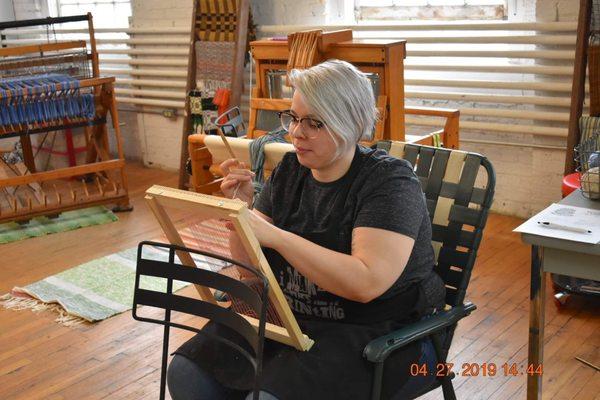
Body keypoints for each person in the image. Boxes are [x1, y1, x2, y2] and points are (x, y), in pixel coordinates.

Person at [167, 59, 446, 400]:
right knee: (187, 374)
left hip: (380, 332)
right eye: (294, 118)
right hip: (293, 316)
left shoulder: (389, 182)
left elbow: (366, 282)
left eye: (314, 123)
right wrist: (243, 215)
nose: (297, 132)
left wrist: (277, 237)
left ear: (350, 123)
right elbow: (251, 267)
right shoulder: (291, 169)